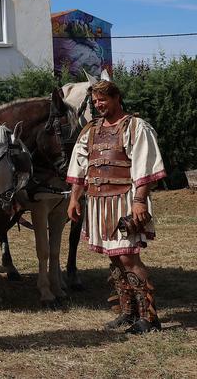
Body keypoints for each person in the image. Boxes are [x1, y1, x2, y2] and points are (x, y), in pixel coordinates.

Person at [66, 79, 166, 334]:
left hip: (125, 201)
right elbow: (79, 167)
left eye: (103, 99)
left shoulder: (135, 126)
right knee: (114, 257)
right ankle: (128, 312)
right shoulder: (90, 130)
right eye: (96, 100)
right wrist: (74, 198)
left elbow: (145, 165)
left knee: (128, 256)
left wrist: (139, 201)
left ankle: (149, 317)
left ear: (116, 98)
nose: (99, 104)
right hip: (98, 202)